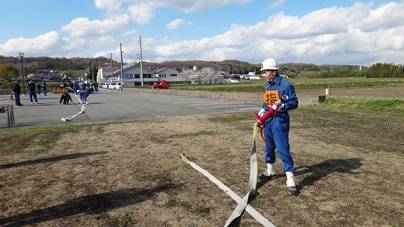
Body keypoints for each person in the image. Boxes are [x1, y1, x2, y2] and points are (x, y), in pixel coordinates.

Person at [256, 58, 299, 195]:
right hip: (268, 121)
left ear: (273, 72)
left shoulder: (286, 86)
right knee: (269, 146)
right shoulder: (267, 86)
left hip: (280, 121)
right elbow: (265, 103)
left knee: (282, 147)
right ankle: (270, 170)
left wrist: (281, 106)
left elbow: (294, 102)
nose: (263, 75)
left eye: (265, 72)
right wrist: (262, 112)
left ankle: (290, 178)